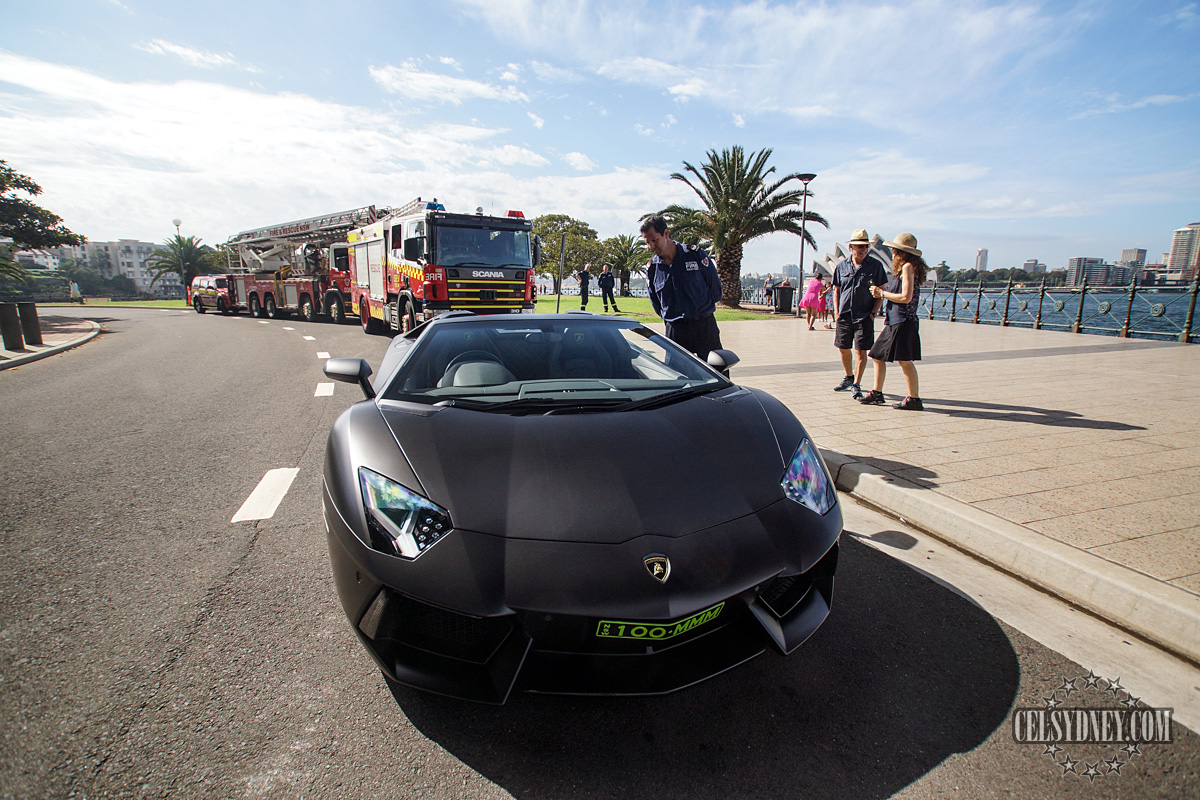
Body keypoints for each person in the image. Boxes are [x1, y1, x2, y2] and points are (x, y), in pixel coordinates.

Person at [640, 215, 723, 361]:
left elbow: (715, 289)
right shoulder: (653, 269)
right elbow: (656, 304)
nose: (652, 246)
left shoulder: (694, 255)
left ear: (666, 234)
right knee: (678, 376)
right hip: (676, 330)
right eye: (648, 243)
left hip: (704, 326)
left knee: (717, 370)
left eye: (654, 240)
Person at [859, 233, 927, 410]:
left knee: (905, 360)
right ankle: (877, 393)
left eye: (894, 250)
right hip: (896, 320)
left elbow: (906, 297)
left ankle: (914, 399)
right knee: (877, 355)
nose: (892, 252)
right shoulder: (907, 267)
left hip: (903, 321)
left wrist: (882, 293)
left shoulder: (907, 267)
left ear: (901, 251)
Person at [831, 229, 887, 399]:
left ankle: (857, 384)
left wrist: (873, 313)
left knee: (861, 351)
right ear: (851, 247)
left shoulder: (876, 266)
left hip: (864, 315)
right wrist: (837, 311)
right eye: (859, 246)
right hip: (845, 314)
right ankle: (849, 377)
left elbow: (881, 291)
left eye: (865, 247)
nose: (863, 250)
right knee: (843, 347)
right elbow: (837, 290)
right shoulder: (841, 266)